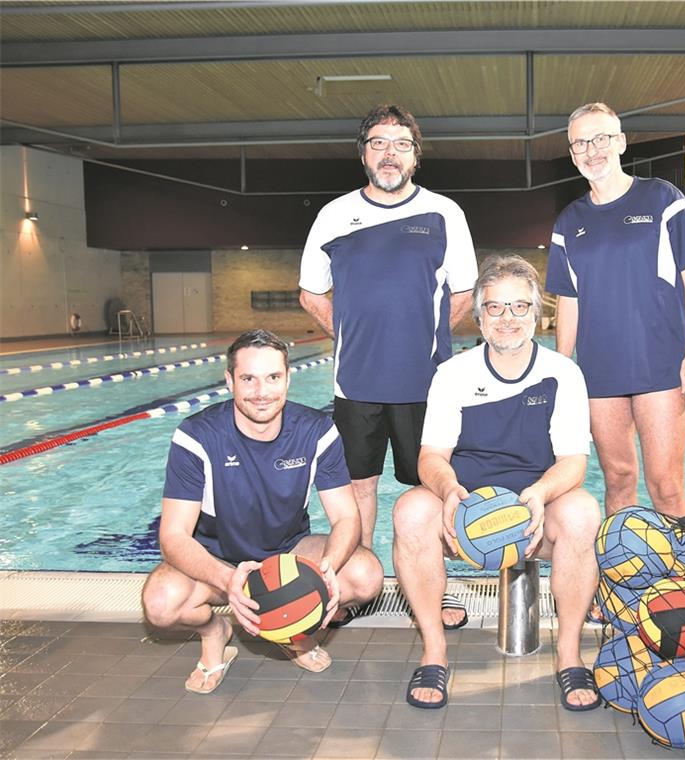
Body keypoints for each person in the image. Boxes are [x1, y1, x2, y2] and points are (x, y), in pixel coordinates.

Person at [392, 255, 601, 711]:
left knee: (584, 513)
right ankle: (435, 652)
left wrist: (541, 494)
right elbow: (431, 457)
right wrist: (449, 492)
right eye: (495, 308)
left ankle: (569, 654)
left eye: (520, 307)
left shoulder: (563, 373)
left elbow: (573, 463)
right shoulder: (453, 374)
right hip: (463, 517)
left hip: (534, 516)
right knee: (409, 511)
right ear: (479, 316)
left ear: (538, 313)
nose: (508, 319)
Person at [299, 105, 478, 627]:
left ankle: (438, 588)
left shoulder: (445, 213)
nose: (389, 153)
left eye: (401, 144)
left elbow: (463, 291)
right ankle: (362, 584)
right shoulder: (333, 215)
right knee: (359, 488)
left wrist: (425, 338)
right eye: (378, 143)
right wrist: (354, 335)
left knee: (431, 488)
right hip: (355, 384)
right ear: (363, 155)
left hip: (427, 385)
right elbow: (311, 292)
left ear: (416, 156)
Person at [141, 330, 384, 694]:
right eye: (248, 379)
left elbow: (346, 517)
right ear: (229, 381)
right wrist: (228, 582)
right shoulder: (197, 436)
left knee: (366, 575)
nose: (261, 391)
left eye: (273, 377)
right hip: (216, 561)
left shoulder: (316, 431)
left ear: (288, 377)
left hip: (287, 553)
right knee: (160, 604)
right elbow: (173, 537)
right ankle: (214, 633)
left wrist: (328, 568)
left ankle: (290, 629)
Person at [545, 102, 685, 519]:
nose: (591, 150)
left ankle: (683, 580)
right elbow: (569, 299)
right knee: (617, 479)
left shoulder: (663, 199)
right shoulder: (568, 222)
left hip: (659, 364)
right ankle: (625, 576)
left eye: (600, 138)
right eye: (580, 142)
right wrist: (563, 370)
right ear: (571, 152)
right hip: (600, 373)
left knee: (666, 486)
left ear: (620, 142)